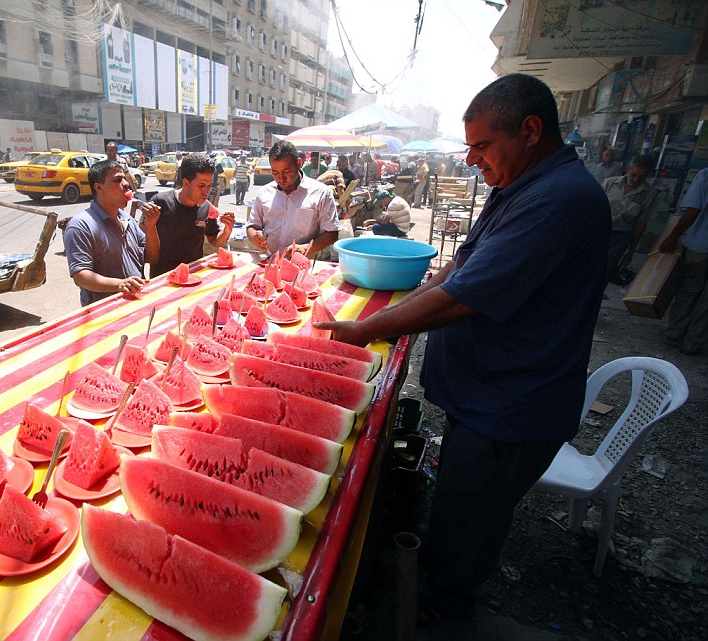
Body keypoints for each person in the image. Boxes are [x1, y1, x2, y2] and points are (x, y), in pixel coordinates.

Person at [314, 73, 610, 624]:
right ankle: (433, 589)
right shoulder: (519, 187)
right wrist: (389, 313)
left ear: (529, 130)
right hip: (485, 401)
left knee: (462, 540)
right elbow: (458, 268)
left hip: (510, 409)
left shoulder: (560, 200)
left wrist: (368, 330)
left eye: (481, 145)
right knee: (455, 512)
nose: (471, 159)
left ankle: (437, 616)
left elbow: (463, 297)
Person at [63, 159, 147, 306]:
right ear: (99, 187)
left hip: (134, 303)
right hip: (104, 311)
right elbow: (81, 276)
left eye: (125, 179)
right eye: (118, 180)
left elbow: (151, 256)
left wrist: (151, 226)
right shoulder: (80, 225)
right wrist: (119, 284)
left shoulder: (127, 219)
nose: (126, 184)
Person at [143, 153, 234, 276]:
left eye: (209, 186)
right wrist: (150, 225)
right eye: (201, 186)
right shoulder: (160, 202)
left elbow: (214, 241)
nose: (206, 192)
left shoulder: (206, 206)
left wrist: (227, 229)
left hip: (194, 277)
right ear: (186, 183)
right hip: (164, 278)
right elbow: (148, 253)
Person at [246, 140, 339, 258]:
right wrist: (254, 235)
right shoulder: (264, 192)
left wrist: (306, 247)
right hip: (269, 261)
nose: (281, 178)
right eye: (275, 172)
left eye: (287, 171)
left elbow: (331, 233)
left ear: (299, 163)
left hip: (303, 264)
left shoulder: (321, 193)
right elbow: (252, 226)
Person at [661, 166, 708, 355]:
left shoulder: (705, 174)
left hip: (700, 244)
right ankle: (693, 342)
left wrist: (673, 236)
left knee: (689, 290)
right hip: (700, 245)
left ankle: (675, 332)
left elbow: (693, 210)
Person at [601, 154, 659, 283]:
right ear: (628, 169)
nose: (636, 179)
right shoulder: (609, 183)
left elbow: (640, 224)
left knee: (606, 270)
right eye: (633, 174)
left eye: (641, 177)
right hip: (600, 231)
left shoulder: (650, 194)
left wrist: (631, 251)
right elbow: (595, 208)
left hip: (621, 237)